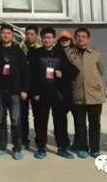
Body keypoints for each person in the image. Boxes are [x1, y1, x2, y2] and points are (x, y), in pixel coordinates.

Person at [29, 27, 78, 160]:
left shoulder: (60, 52)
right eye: (45, 38)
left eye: (50, 38)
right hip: (41, 94)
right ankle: (41, 147)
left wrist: (63, 74)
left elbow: (73, 70)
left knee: (60, 122)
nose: (47, 40)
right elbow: (31, 75)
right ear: (41, 39)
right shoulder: (36, 53)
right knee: (40, 121)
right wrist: (34, 92)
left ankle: (62, 148)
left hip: (58, 94)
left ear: (54, 39)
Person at [64, 27, 105, 158]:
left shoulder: (96, 54)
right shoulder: (69, 53)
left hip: (94, 95)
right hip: (78, 94)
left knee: (95, 124)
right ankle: (82, 147)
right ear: (75, 38)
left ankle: (95, 149)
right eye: (78, 36)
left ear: (88, 39)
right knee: (80, 124)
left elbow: (101, 71)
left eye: (83, 36)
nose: (81, 39)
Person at [0, 24, 28, 160]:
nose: (5, 35)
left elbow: (25, 71)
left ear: (12, 36)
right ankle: (1, 146)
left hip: (15, 91)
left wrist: (24, 89)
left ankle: (17, 148)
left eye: (8, 33)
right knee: (0, 120)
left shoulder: (18, 51)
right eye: (3, 33)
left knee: (15, 120)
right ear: (0, 34)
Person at [20, 25, 40, 150]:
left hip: (35, 87)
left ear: (36, 35)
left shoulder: (40, 49)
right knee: (23, 115)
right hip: (22, 87)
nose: (29, 36)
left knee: (38, 116)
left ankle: (39, 140)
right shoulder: (20, 48)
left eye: (32, 34)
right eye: (27, 34)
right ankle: (24, 139)